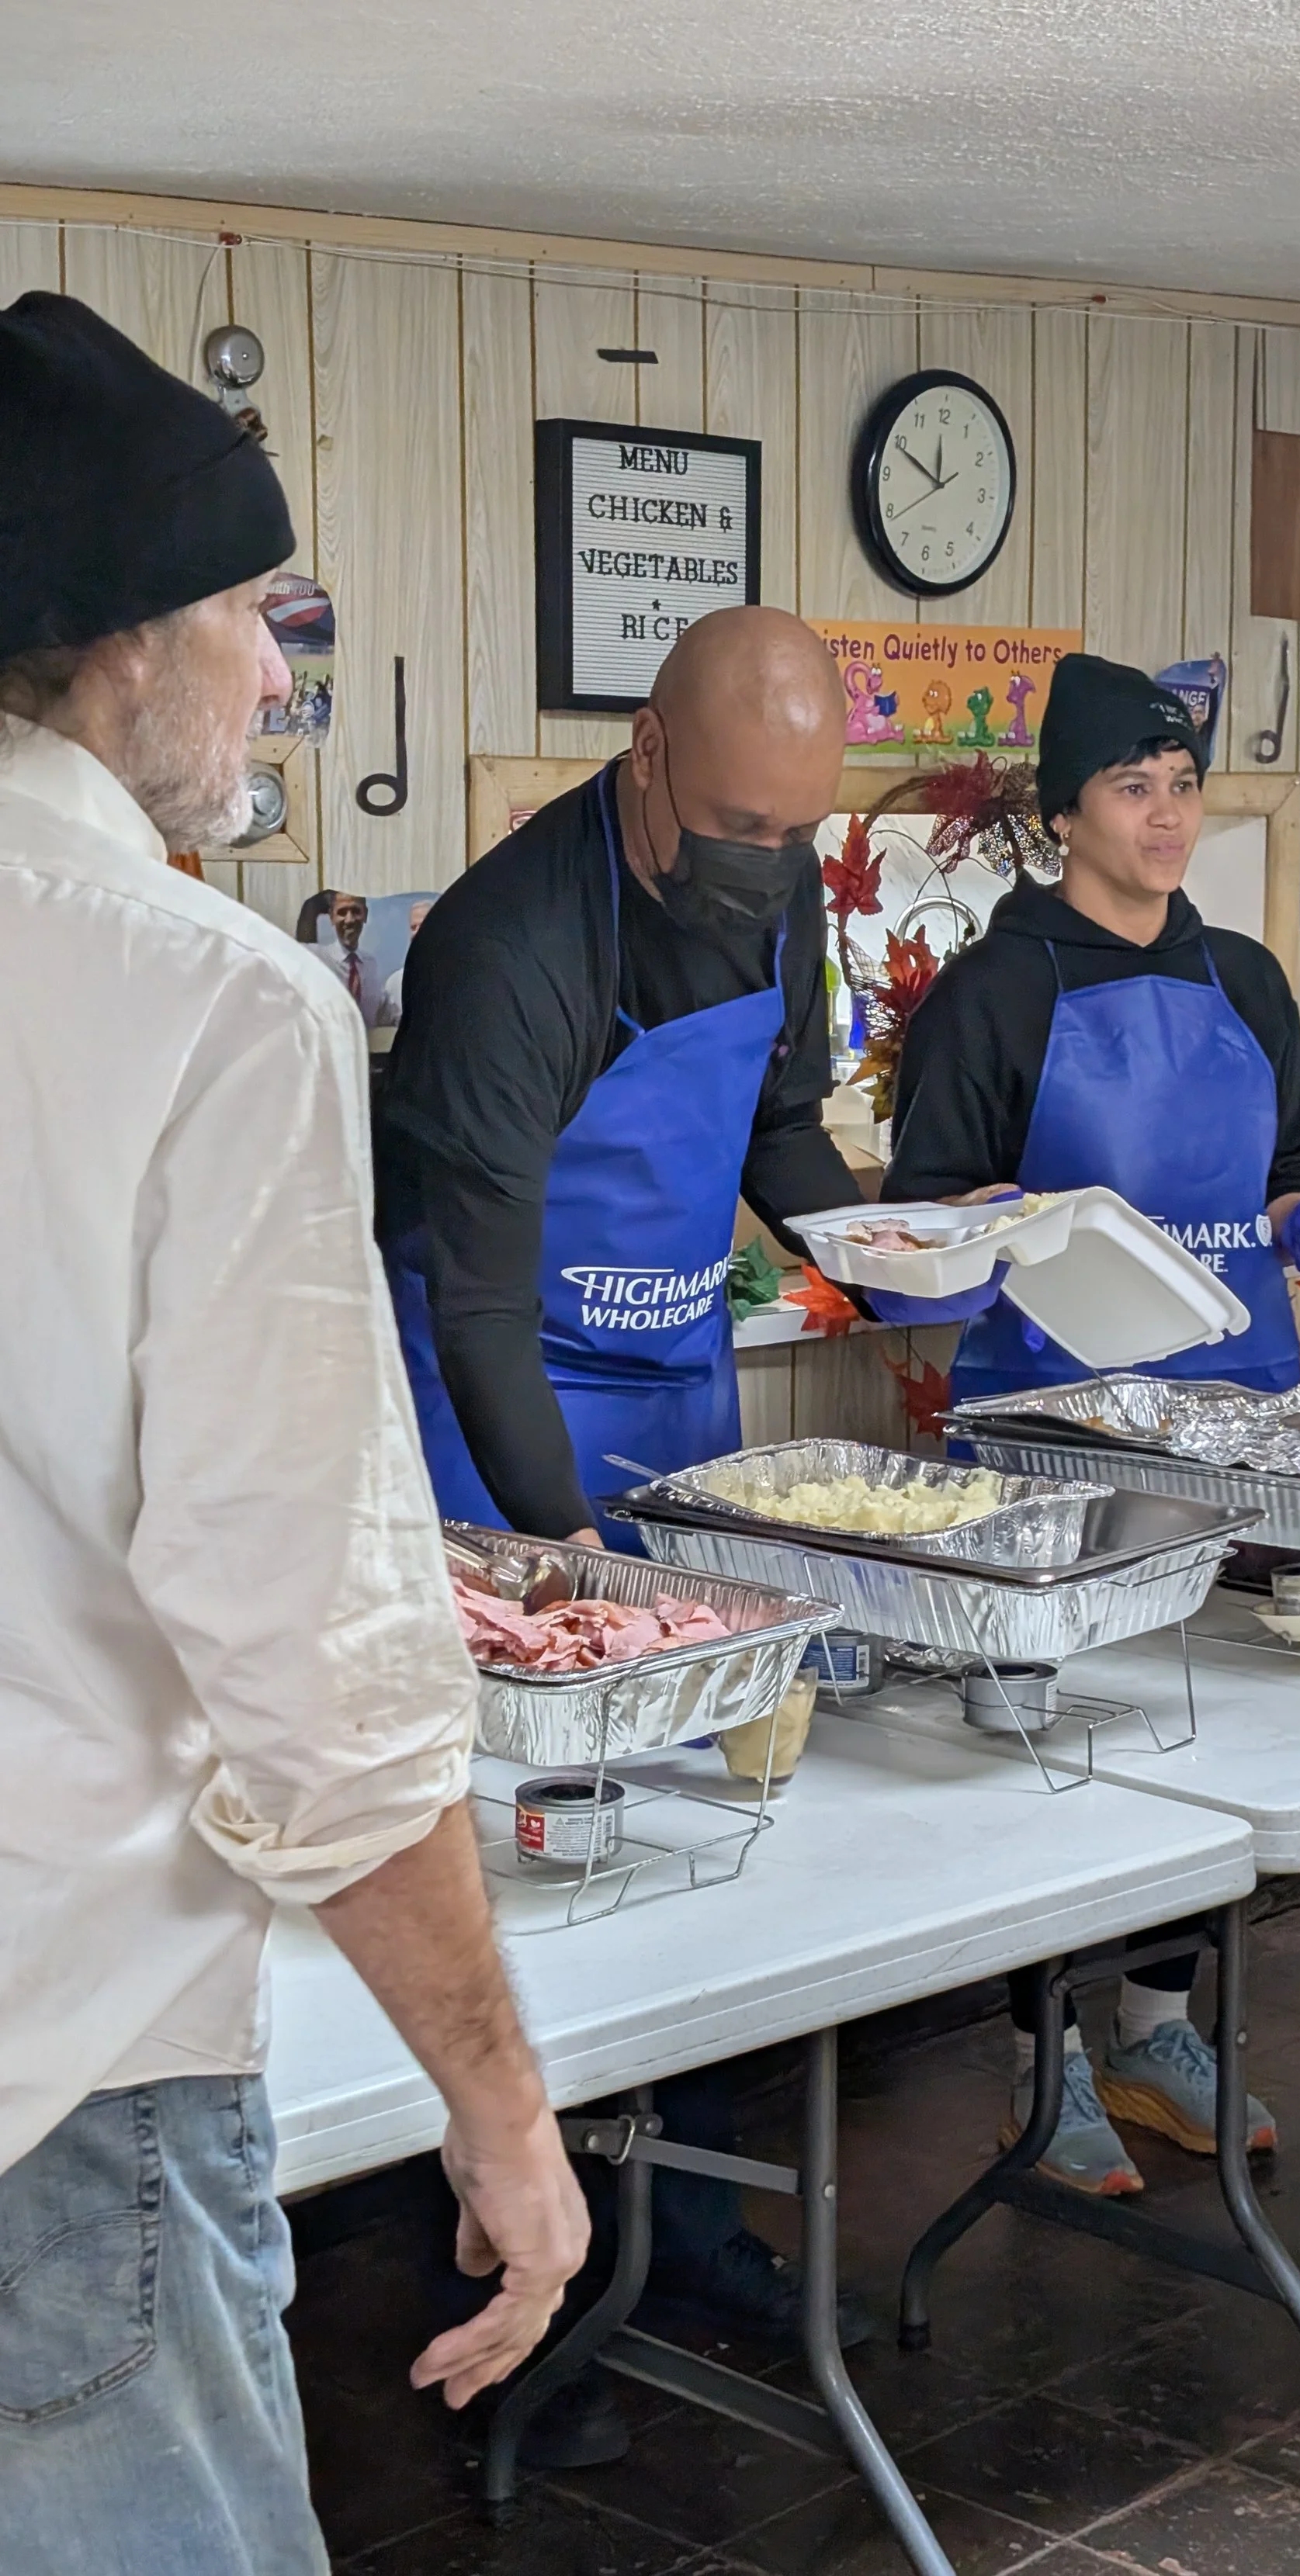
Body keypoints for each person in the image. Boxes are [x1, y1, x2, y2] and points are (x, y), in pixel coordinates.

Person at [0, 292, 586, 2574]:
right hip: (61, 2061)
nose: (272, 666)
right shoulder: (210, 994)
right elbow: (306, 1675)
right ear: (122, 641)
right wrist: (501, 2098)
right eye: (255, 611)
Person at [375, 602, 879, 2454]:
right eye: (740, 828)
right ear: (648, 760)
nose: (769, 870)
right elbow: (483, 1310)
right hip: (499, 1409)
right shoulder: (509, 943)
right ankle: (507, 2292)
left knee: (714, 1831)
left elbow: (786, 1135)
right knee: (531, 1857)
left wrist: (887, 1254)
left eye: (797, 836)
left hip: (674, 1390)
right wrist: (576, 1579)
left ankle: (699, 2227)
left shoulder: (783, 873)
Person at [886, 651, 1300, 2193]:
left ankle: (1155, 2024)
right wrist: (993, 1215)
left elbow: (1288, 1155)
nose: (1164, 817)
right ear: (1063, 812)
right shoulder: (998, 985)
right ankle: (1042, 2065)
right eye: (1129, 789)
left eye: (1179, 785)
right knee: (1050, 1749)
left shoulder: (1244, 979)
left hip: (1228, 1412)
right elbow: (916, 1213)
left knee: (1201, 1727)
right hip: (1050, 1425)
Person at [324, 888, 400, 1033]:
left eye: (356, 911)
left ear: (365, 915)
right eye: (342, 912)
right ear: (332, 917)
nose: (350, 919)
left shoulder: (370, 964)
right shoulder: (320, 961)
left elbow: (387, 1012)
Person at [385, 894, 434, 1014]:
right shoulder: (395, 983)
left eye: (422, 926)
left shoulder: (455, 977)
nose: (416, 933)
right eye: (413, 927)